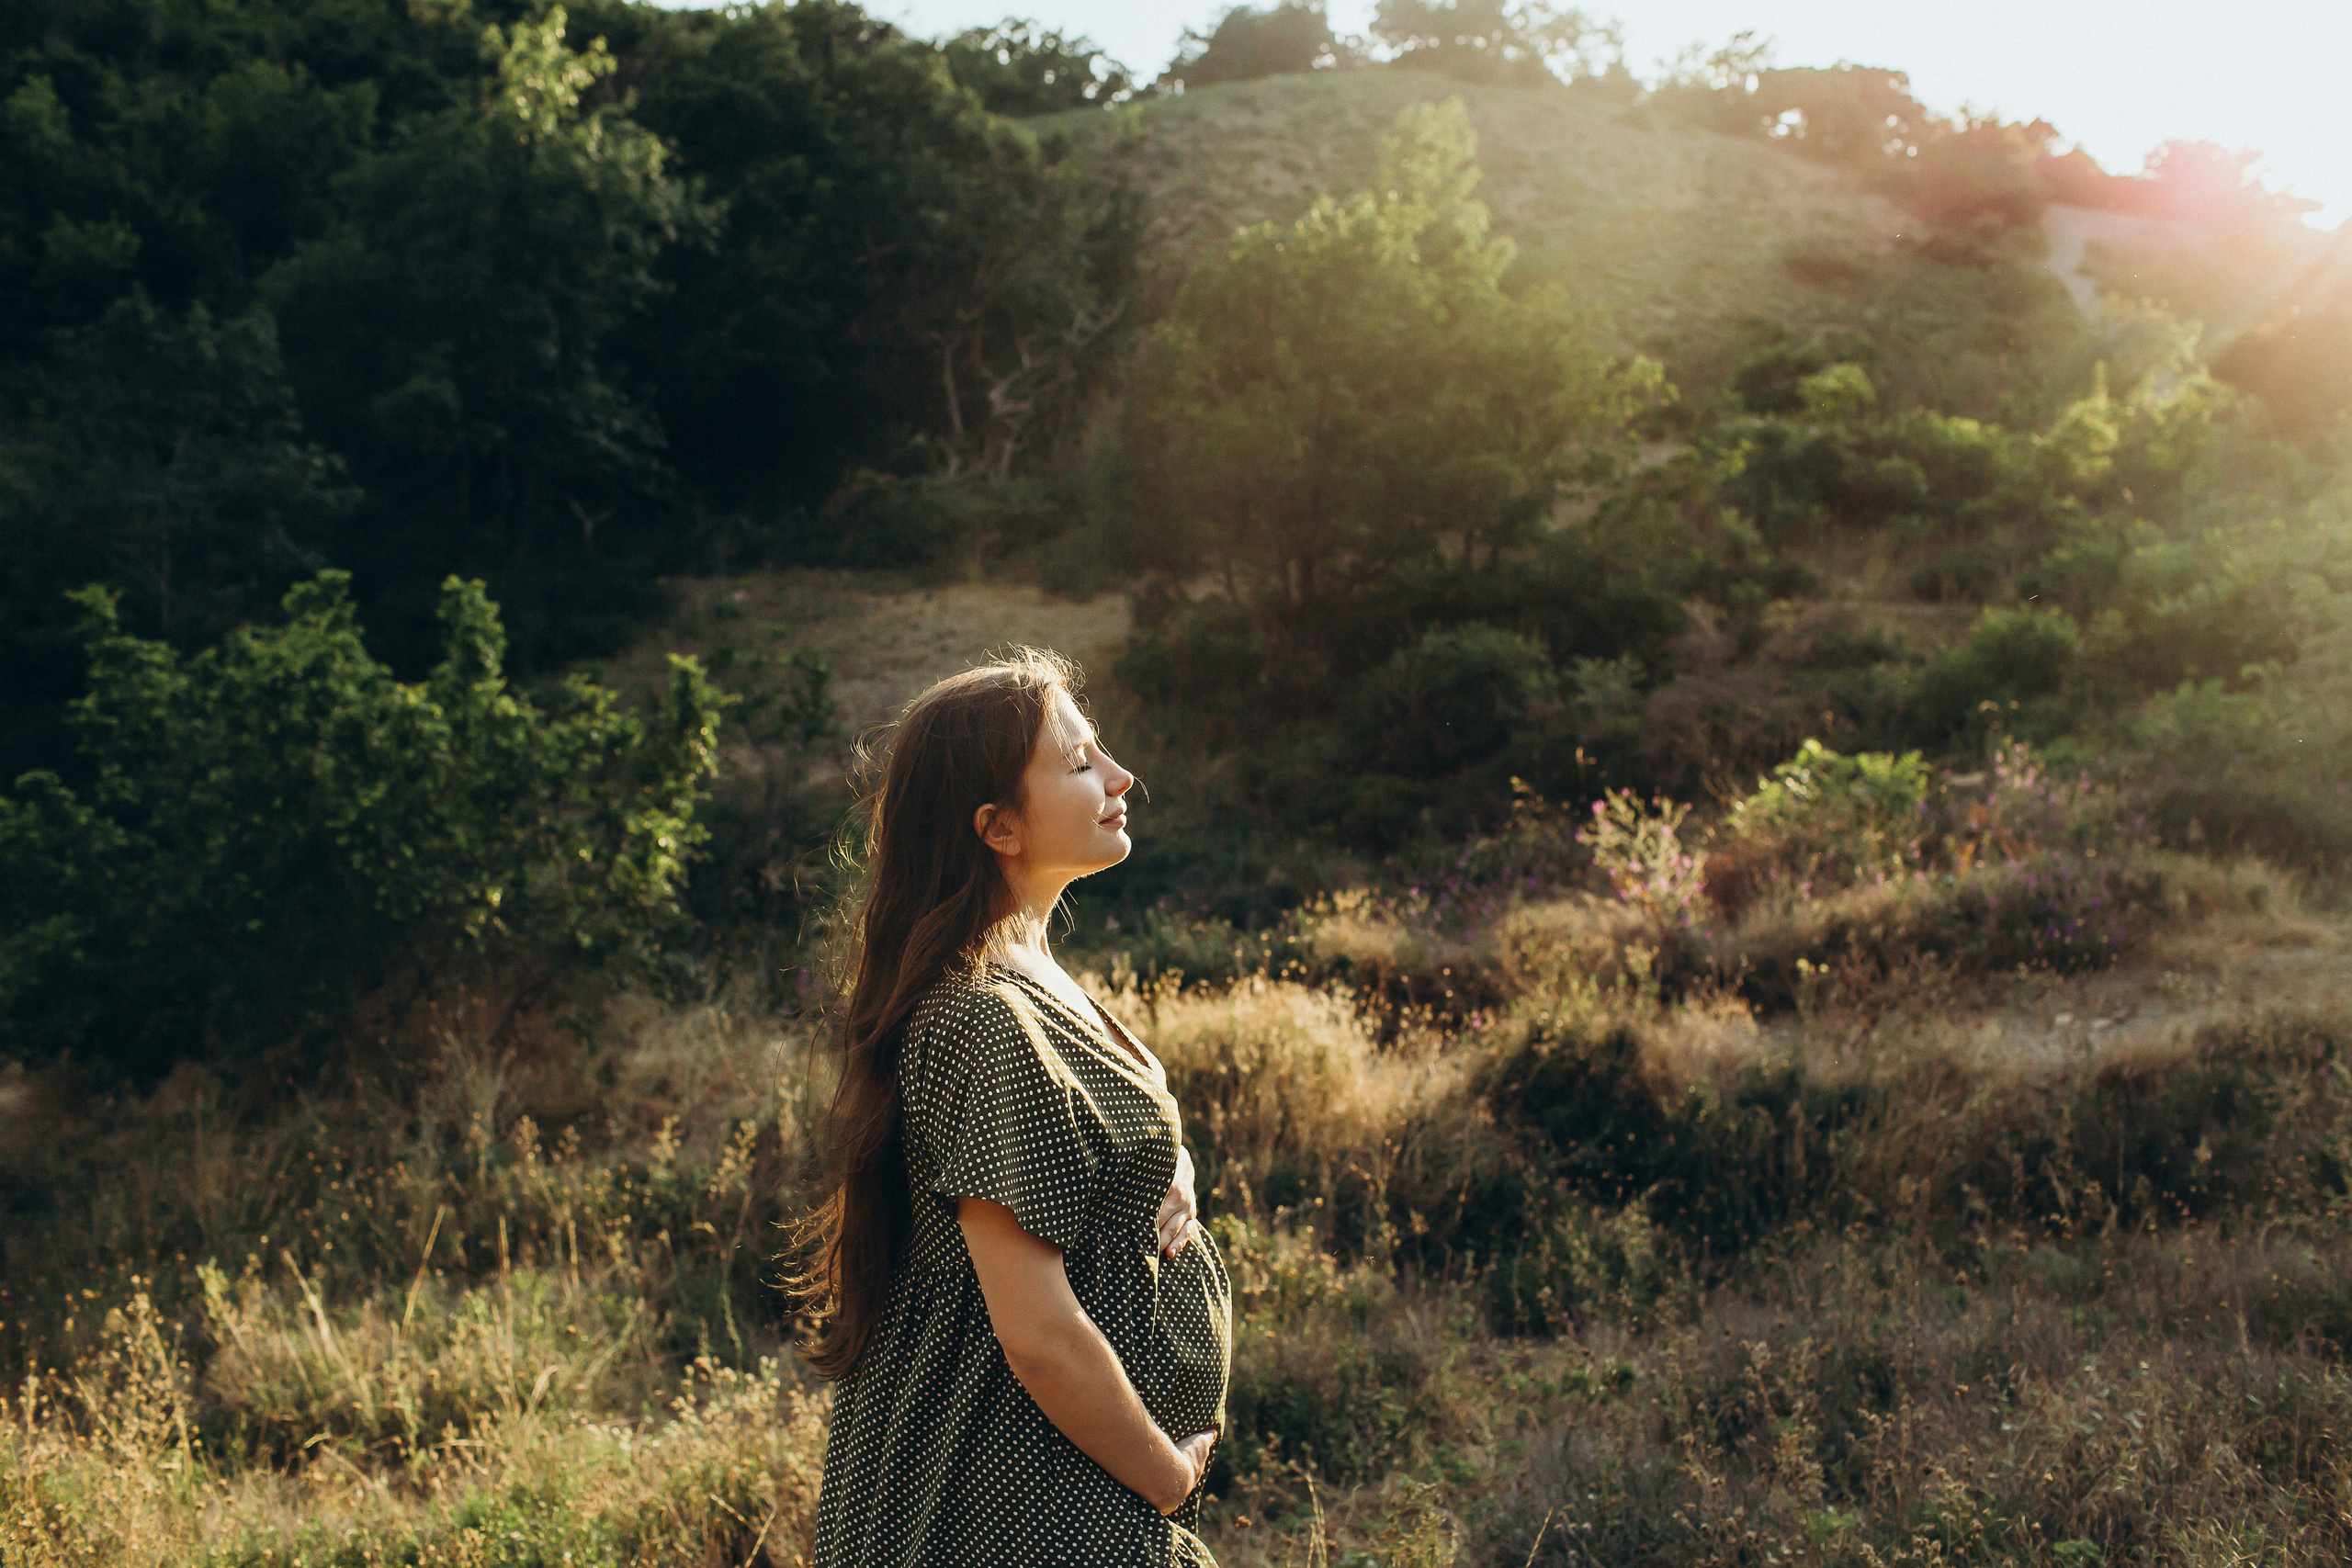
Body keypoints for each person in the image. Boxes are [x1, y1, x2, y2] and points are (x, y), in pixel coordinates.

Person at [802, 649, 1232, 1567]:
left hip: (1046, 1479)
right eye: (1080, 764)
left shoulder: (1026, 978)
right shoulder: (983, 1018)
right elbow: (1034, 1332)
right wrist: (1164, 1477)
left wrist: (1173, 1164)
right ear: (996, 827)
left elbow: (1101, 1122)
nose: (1120, 777)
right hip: (1005, 1500)